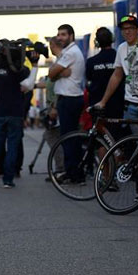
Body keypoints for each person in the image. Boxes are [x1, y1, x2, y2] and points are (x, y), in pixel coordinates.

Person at [0, 51, 39, 188]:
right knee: (12, 146)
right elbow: (28, 86)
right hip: (15, 114)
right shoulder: (18, 71)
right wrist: (34, 65)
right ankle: (7, 180)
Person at [94, 15, 138, 124]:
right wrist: (103, 101)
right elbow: (117, 75)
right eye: (124, 29)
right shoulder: (121, 48)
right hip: (130, 106)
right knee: (135, 140)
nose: (127, 32)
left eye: (131, 28)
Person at [48, 24, 86, 183]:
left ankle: (74, 174)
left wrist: (57, 73)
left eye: (63, 34)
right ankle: (73, 171)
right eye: (58, 35)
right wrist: (60, 73)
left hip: (69, 99)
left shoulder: (70, 53)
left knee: (69, 139)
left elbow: (51, 74)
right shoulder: (68, 53)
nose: (59, 38)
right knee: (71, 138)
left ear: (71, 35)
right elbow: (55, 75)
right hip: (70, 98)